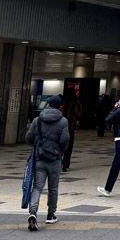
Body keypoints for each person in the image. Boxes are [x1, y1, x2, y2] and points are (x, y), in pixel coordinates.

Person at [25, 95, 71, 231]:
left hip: (40, 158)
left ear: (48, 105)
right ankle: (51, 214)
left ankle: (33, 212)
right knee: (53, 188)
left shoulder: (37, 120)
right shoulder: (63, 121)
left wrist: (38, 144)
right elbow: (65, 140)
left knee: (37, 187)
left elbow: (28, 138)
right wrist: (59, 151)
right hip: (55, 159)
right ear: (59, 106)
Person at [61, 88, 83, 171]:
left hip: (61, 127)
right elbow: (79, 113)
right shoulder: (76, 102)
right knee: (69, 147)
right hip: (70, 127)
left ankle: (58, 162)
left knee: (60, 145)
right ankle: (65, 164)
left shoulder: (63, 101)